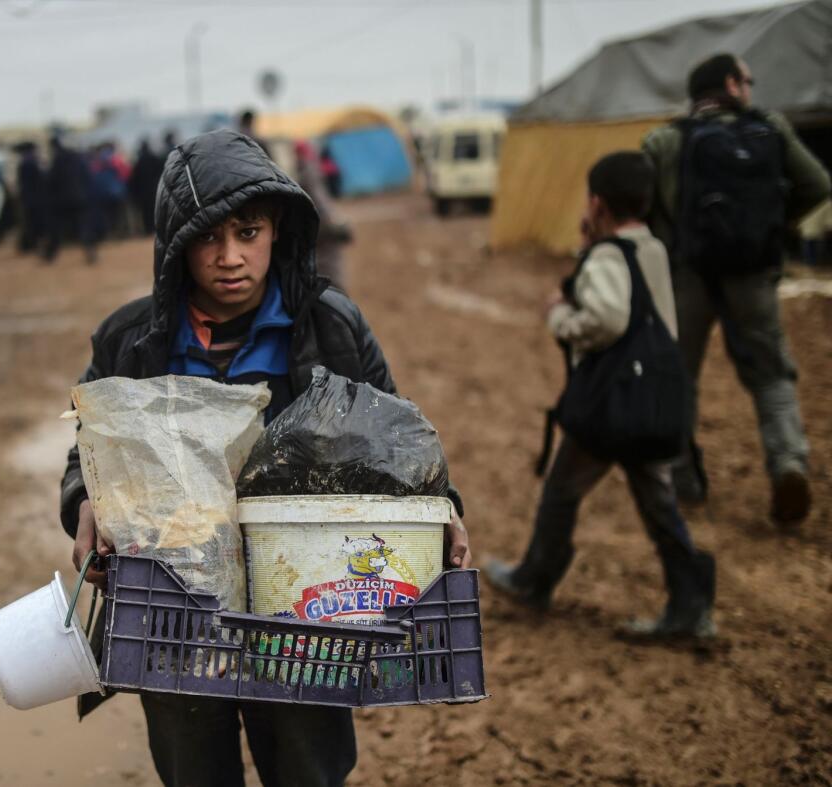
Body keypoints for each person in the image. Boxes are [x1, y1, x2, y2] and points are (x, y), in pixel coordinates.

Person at [59, 129, 472, 787]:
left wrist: (442, 507)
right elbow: (88, 452)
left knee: (309, 765)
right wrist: (85, 502)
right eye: (207, 239)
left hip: (306, 606)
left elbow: (400, 443)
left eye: (247, 232)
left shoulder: (330, 326)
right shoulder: (132, 343)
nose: (230, 257)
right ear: (174, 246)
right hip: (178, 612)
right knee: (194, 768)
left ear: (278, 228)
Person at [484, 152, 716, 640]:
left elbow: (608, 317)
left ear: (596, 201)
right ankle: (692, 603)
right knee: (658, 500)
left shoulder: (607, 256)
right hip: (654, 401)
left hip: (612, 407)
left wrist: (561, 319)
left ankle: (534, 580)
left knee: (562, 489)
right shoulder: (652, 248)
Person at [641, 54, 830, 525]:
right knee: (771, 376)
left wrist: (669, 247)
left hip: (688, 278)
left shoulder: (665, 140)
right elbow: (819, 183)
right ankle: (787, 463)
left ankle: (685, 481)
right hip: (753, 276)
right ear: (730, 84)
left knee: (679, 378)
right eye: (747, 79)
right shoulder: (771, 129)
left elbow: (643, 207)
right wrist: (774, 228)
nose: (751, 87)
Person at [294, 139, 352, 289]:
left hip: (313, 222)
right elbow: (319, 199)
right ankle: (335, 290)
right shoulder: (309, 171)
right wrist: (333, 221)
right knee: (330, 258)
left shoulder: (301, 170)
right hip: (321, 221)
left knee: (321, 257)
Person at [43, 135, 92, 263]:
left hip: (62, 201)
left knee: (57, 228)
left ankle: (50, 255)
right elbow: (87, 176)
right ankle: (90, 252)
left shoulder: (57, 159)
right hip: (79, 198)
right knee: (82, 226)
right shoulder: (78, 158)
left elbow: (51, 180)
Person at [128, 137, 165, 236]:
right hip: (155, 189)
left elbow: (134, 179)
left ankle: (148, 230)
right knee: (156, 210)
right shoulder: (155, 158)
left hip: (143, 192)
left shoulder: (138, 161)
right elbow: (162, 173)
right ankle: (157, 229)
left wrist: (135, 193)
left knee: (146, 212)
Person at [15, 142, 45, 254]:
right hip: (34, 199)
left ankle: (31, 244)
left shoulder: (25, 163)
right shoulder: (32, 163)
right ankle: (33, 245)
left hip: (28, 198)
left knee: (30, 223)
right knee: (34, 223)